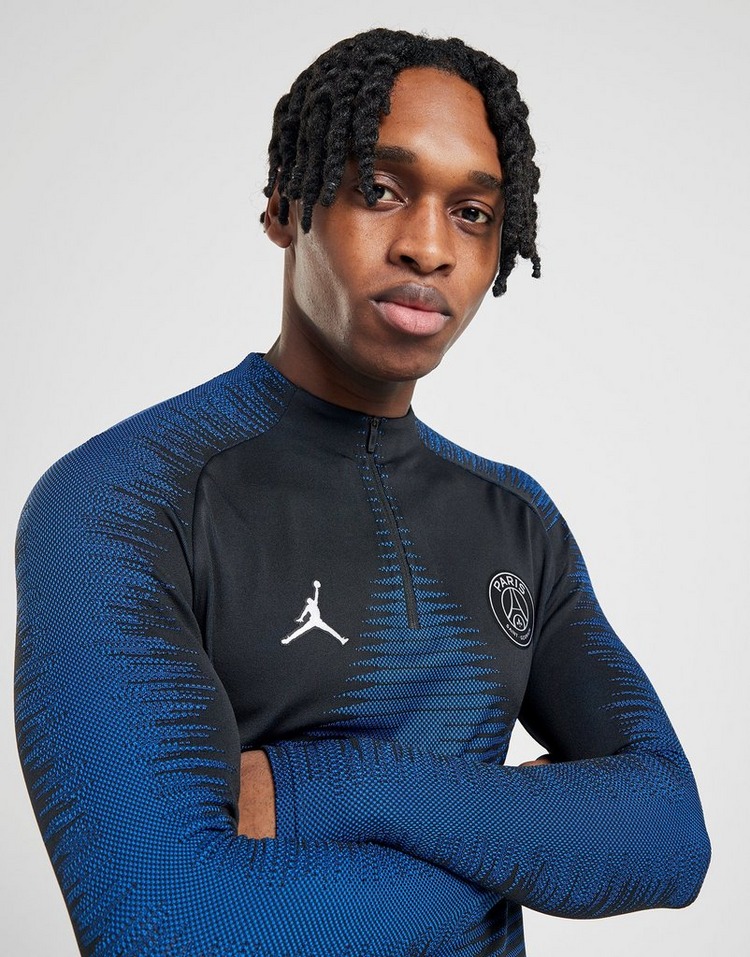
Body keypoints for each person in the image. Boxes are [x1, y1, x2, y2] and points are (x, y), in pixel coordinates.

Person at [14, 27, 710, 957]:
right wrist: (527, 852)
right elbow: (165, 923)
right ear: (283, 205)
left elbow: (669, 835)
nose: (428, 247)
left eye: (472, 212)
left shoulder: (518, 521)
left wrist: (329, 790)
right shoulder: (125, 500)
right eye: (380, 190)